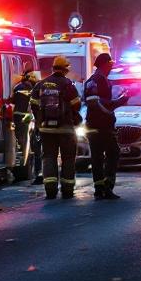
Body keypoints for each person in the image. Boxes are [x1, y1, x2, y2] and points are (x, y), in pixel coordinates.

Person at [33, 56, 82, 199]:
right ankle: (67, 190)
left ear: (53, 68)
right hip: (66, 128)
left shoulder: (41, 84)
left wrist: (39, 121)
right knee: (68, 158)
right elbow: (76, 105)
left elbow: (34, 104)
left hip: (46, 129)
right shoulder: (68, 84)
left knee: (48, 157)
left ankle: (50, 189)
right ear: (66, 69)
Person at [83, 52, 128, 200]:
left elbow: (96, 102)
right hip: (103, 126)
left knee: (97, 157)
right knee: (113, 153)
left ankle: (99, 188)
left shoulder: (92, 80)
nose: (112, 66)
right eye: (110, 64)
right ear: (105, 64)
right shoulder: (99, 80)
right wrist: (121, 101)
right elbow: (99, 104)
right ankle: (107, 186)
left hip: (92, 125)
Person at [11, 62, 42, 185]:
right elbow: (35, 106)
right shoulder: (33, 89)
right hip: (29, 120)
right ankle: (36, 172)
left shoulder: (17, 87)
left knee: (22, 146)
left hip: (19, 120)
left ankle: (24, 170)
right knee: (34, 148)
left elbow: (13, 102)